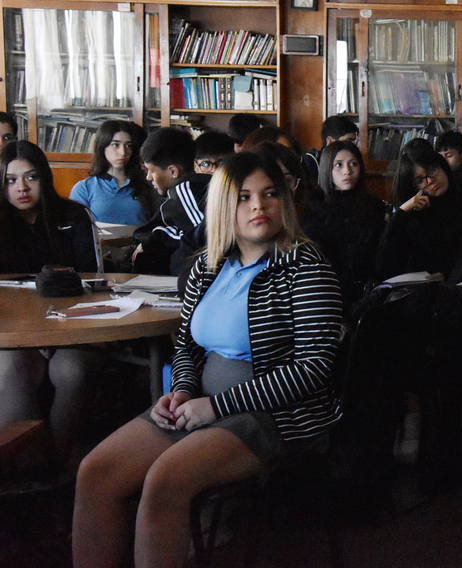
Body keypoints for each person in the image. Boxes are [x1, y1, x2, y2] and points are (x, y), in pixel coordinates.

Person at [72, 151, 344, 568]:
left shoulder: (305, 267)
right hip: (200, 404)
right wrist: (181, 389)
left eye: (270, 194)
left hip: (278, 414)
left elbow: (313, 368)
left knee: (165, 480)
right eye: (244, 197)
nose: (259, 205)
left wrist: (215, 406)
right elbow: (186, 346)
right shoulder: (208, 265)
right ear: (222, 206)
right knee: (96, 471)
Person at [0, 140, 100, 464]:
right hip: (14, 333)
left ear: (45, 177)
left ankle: (52, 465)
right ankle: (28, 470)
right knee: (11, 369)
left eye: (31, 177)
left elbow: (94, 279)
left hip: (71, 325)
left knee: (74, 369)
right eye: (11, 180)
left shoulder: (72, 215)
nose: (22, 188)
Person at [376, 138, 462, 283]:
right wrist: (401, 213)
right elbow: (384, 267)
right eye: (420, 180)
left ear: (442, 166)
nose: (430, 180)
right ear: (412, 187)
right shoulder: (413, 215)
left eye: (432, 170)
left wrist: (448, 275)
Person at [313, 140, 386, 311]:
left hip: (368, 289)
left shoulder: (374, 205)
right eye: (338, 165)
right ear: (327, 169)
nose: (347, 171)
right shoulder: (316, 207)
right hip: (328, 292)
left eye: (353, 164)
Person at [132, 127, 211, 276]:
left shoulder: (185, 191)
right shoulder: (201, 184)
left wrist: (158, 237)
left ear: (173, 171)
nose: (148, 177)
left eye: (151, 171)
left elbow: (203, 236)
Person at [69, 120, 157, 226]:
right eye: (115, 145)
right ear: (103, 147)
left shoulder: (148, 184)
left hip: (140, 242)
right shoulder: (84, 188)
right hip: (99, 242)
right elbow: (77, 230)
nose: (123, 152)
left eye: (128, 146)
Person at [303, 115, 358, 180]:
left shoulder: (353, 162)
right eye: (348, 141)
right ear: (330, 141)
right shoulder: (310, 162)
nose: (352, 146)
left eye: (354, 142)